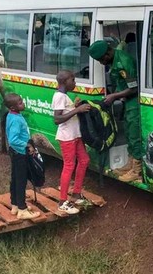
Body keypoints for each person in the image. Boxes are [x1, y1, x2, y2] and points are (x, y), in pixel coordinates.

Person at [87, 39, 144, 183]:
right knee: (129, 133)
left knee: (134, 133)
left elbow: (134, 88)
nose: (101, 63)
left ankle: (137, 171)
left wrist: (114, 96)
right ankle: (130, 164)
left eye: (101, 59)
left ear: (107, 53)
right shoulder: (114, 60)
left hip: (134, 103)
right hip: (126, 102)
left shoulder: (124, 61)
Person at [53, 70, 92, 214]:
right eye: (73, 80)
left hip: (76, 135)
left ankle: (76, 193)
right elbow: (57, 119)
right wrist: (77, 110)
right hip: (67, 137)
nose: (75, 83)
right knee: (69, 165)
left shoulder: (64, 96)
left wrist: (75, 107)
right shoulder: (59, 96)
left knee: (84, 160)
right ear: (64, 82)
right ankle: (62, 201)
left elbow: (65, 113)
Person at [4, 93, 41, 220]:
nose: (23, 103)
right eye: (20, 103)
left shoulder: (12, 115)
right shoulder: (15, 119)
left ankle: (15, 204)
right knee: (21, 180)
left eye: (22, 101)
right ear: (13, 107)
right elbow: (13, 139)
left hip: (15, 152)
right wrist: (27, 145)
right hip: (19, 153)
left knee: (15, 178)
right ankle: (22, 209)